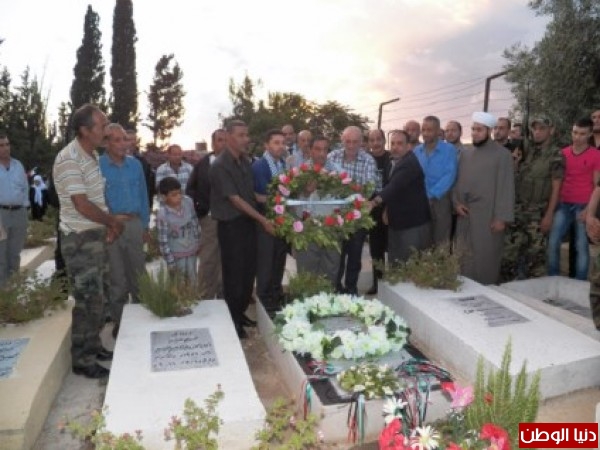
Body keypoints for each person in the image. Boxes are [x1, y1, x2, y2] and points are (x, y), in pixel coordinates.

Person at [53, 103, 124, 379]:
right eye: (102, 126)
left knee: (100, 296)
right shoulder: (69, 159)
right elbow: (81, 204)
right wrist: (112, 222)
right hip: (80, 239)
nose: (107, 130)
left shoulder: (90, 154)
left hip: (94, 235)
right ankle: (83, 360)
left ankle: (93, 346)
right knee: (88, 300)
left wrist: (106, 224)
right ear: (84, 130)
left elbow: (96, 196)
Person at [209, 120, 274, 339]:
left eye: (247, 135)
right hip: (231, 226)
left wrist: (275, 200)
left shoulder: (245, 162)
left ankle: (241, 312)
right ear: (228, 137)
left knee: (248, 272)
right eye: (241, 135)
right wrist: (263, 220)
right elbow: (235, 200)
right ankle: (233, 319)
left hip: (248, 223)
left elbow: (251, 195)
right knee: (234, 275)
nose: (246, 139)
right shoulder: (220, 165)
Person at [99, 123, 150, 337]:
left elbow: (144, 196)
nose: (123, 144)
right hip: (111, 226)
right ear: (106, 143)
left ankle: (142, 316)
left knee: (138, 273)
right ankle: (120, 322)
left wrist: (145, 225)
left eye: (125, 139)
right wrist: (109, 221)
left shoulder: (135, 165)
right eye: (117, 140)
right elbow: (96, 200)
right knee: (117, 277)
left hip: (134, 223)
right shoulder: (97, 166)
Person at [453, 112, 514, 285]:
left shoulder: (503, 155)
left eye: (479, 130)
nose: (475, 133)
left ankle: (487, 292)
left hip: (488, 216)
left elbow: (506, 187)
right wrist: (456, 203)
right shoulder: (465, 154)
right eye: (473, 129)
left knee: (486, 258)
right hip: (465, 215)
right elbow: (457, 182)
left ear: (489, 131)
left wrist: (501, 217)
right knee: (464, 258)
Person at [501, 116, 564, 281]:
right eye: (535, 129)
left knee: (535, 262)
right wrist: (516, 162)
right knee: (508, 256)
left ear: (551, 131)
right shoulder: (527, 152)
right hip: (518, 212)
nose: (537, 132)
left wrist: (549, 215)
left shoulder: (555, 155)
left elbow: (556, 188)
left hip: (537, 215)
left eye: (542, 129)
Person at [547, 117, 600, 280]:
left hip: (583, 206)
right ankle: (553, 280)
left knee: (581, 246)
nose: (577, 137)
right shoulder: (562, 153)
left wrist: (589, 211)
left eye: (582, 134)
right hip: (563, 204)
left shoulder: (596, 155)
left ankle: (580, 284)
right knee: (553, 242)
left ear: (590, 134)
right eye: (575, 132)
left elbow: (597, 185)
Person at [327, 126, 378, 295]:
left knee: (355, 256)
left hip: (358, 216)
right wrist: (354, 188)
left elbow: (369, 189)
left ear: (361, 142)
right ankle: (336, 288)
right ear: (342, 141)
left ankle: (351, 289)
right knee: (336, 256)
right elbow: (325, 185)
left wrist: (343, 188)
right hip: (335, 215)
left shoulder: (368, 160)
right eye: (347, 141)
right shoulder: (332, 157)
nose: (351, 145)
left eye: (355, 142)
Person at [369, 130, 432, 264]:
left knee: (410, 267)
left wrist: (373, 203)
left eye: (399, 144)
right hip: (397, 223)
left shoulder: (409, 163)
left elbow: (394, 186)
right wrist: (387, 209)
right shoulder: (394, 162)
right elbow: (393, 190)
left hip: (412, 225)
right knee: (396, 265)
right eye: (392, 143)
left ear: (408, 146)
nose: (395, 147)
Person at [294, 136, 342, 285]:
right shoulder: (299, 171)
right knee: (306, 272)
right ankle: (307, 298)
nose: (321, 153)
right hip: (307, 226)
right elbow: (291, 198)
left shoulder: (338, 171)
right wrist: (306, 191)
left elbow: (345, 198)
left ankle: (327, 298)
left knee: (331, 270)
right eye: (317, 149)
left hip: (331, 227)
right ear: (310, 150)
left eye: (325, 149)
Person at [185, 129, 226, 299]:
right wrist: (200, 207)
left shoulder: (237, 162)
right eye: (220, 140)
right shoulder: (203, 165)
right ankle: (205, 296)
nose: (224, 143)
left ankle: (224, 296)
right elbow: (190, 189)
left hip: (231, 219)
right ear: (213, 143)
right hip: (210, 219)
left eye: (226, 140)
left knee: (227, 259)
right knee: (208, 258)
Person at [252, 129, 288, 312]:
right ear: (266, 145)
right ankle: (264, 301)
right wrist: (281, 198)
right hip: (265, 221)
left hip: (282, 220)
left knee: (279, 260)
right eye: (276, 142)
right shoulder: (260, 166)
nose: (280, 146)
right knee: (266, 263)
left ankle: (276, 295)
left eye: (283, 143)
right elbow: (261, 196)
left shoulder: (282, 164)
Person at [413, 116, 458, 245]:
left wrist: (432, 194)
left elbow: (450, 175)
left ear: (438, 131)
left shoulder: (449, 150)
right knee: (422, 239)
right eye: (423, 130)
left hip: (440, 200)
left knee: (441, 240)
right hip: (420, 201)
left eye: (429, 130)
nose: (425, 133)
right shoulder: (417, 151)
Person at [156, 176, 200, 284]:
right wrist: (170, 262)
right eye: (174, 195)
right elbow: (163, 241)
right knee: (178, 284)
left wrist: (198, 241)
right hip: (176, 257)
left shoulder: (188, 202)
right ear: (164, 197)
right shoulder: (163, 215)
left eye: (180, 193)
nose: (179, 197)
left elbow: (194, 221)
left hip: (191, 251)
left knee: (193, 280)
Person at [0, 133, 29, 287]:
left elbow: (25, 188)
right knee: (1, 256)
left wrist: (25, 206)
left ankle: (13, 291)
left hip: (19, 214)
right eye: (1, 145)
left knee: (14, 254)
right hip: (1, 215)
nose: (5, 148)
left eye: (7, 144)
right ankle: (3, 294)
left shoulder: (18, 165)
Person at [366, 129, 392, 294]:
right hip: (372, 208)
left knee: (393, 248)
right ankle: (378, 283)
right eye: (372, 140)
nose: (375, 143)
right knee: (376, 249)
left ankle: (395, 285)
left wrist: (388, 208)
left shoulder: (391, 158)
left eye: (378, 139)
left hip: (390, 207)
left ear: (384, 140)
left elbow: (394, 185)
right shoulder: (366, 159)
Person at [125, 129, 155, 211]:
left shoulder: (142, 162)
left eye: (134, 139)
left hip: (140, 206)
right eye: (129, 140)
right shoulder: (116, 161)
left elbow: (147, 185)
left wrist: (149, 204)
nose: (132, 142)